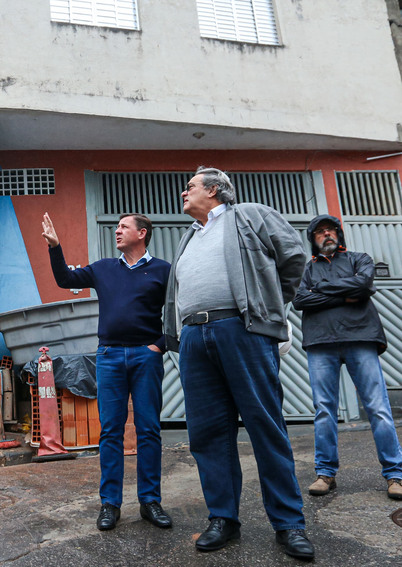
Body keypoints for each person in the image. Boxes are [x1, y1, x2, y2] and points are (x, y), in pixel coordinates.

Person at [163, 166, 315, 561]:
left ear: (214, 190)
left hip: (242, 330)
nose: (184, 191)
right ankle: (223, 520)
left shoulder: (249, 214)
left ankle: (289, 524)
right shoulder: (189, 236)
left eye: (191, 186)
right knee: (208, 434)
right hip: (195, 336)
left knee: (266, 427)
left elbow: (294, 257)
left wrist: (270, 307)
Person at [41, 212, 172, 532]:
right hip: (110, 357)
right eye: (116, 226)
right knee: (111, 431)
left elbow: (179, 308)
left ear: (142, 233)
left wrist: (161, 344)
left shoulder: (163, 270)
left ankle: (150, 501)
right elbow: (65, 280)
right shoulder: (103, 268)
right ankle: (110, 504)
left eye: (124, 227)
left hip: (146, 357)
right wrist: (55, 247)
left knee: (149, 430)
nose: (117, 231)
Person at [292, 214, 402, 501]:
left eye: (331, 230)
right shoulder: (308, 269)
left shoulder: (358, 259)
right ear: (313, 240)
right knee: (324, 410)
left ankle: (395, 474)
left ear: (338, 234)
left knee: (378, 408)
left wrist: (323, 290)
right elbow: (300, 300)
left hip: (360, 338)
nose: (327, 234)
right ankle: (325, 473)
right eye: (320, 232)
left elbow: (364, 286)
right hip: (320, 342)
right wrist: (345, 293)